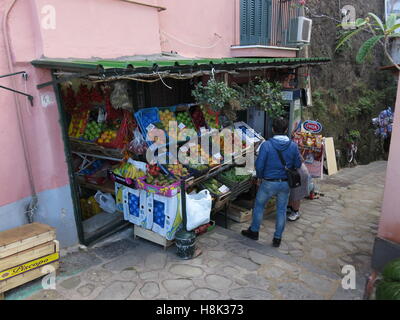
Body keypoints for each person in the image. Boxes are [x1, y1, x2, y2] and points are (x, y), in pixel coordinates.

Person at [241, 117, 302, 247]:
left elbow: (260, 165)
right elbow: (298, 163)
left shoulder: (267, 145)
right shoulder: (293, 146)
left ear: (273, 129)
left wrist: (260, 178)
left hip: (268, 183)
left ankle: (254, 231)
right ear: (286, 130)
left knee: (259, 206)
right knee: (281, 210)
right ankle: (277, 238)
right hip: (285, 183)